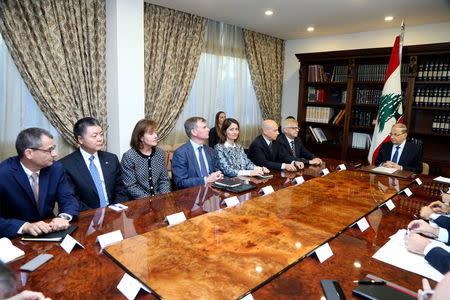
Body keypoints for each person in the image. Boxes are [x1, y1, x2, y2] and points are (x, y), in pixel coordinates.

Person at [0, 128, 78, 238]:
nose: (55, 154)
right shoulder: (3, 174)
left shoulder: (55, 168)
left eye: (54, 148)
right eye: (49, 150)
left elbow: (68, 198)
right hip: (15, 238)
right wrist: (25, 227)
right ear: (29, 153)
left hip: (49, 232)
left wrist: (63, 217)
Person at [60, 117, 128, 211]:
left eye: (101, 134)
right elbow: (71, 199)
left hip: (113, 214)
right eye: (94, 136)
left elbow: (120, 188)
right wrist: (96, 215)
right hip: (86, 216)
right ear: (80, 139)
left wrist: (114, 210)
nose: (100, 139)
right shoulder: (66, 165)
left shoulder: (111, 159)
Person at [121, 119, 171, 199]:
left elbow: (164, 180)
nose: (156, 136)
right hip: (139, 202)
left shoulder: (159, 153)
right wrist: (150, 200)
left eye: (155, 133)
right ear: (141, 137)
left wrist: (163, 197)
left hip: (160, 199)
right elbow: (131, 186)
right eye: (151, 134)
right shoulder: (129, 156)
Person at [172, 117, 223, 189]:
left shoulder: (210, 150)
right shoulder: (181, 153)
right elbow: (181, 182)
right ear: (194, 132)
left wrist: (219, 175)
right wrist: (206, 180)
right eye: (204, 127)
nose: (208, 129)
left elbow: (217, 170)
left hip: (213, 191)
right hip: (192, 194)